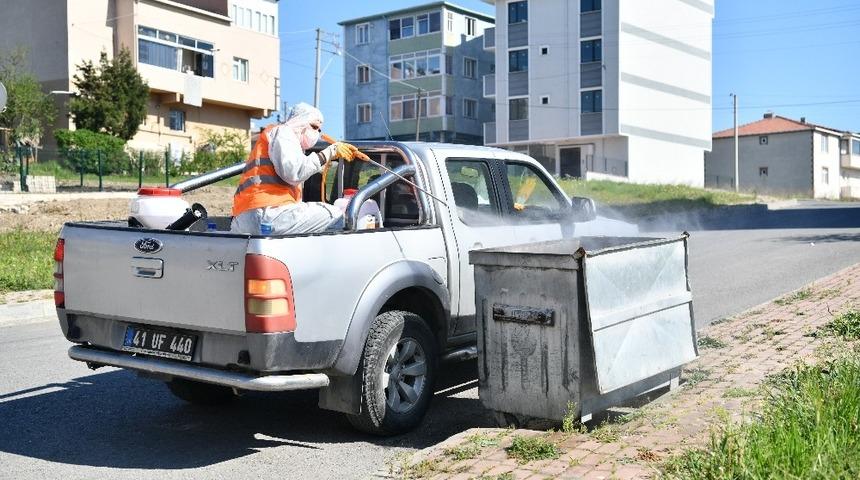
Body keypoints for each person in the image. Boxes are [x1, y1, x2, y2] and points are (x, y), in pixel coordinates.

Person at [231, 103, 361, 235]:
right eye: (314, 127)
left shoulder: (281, 140)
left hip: (249, 216)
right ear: (300, 120)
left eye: (319, 130)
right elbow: (294, 172)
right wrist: (329, 153)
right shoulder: (284, 132)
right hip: (267, 213)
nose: (317, 133)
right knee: (339, 217)